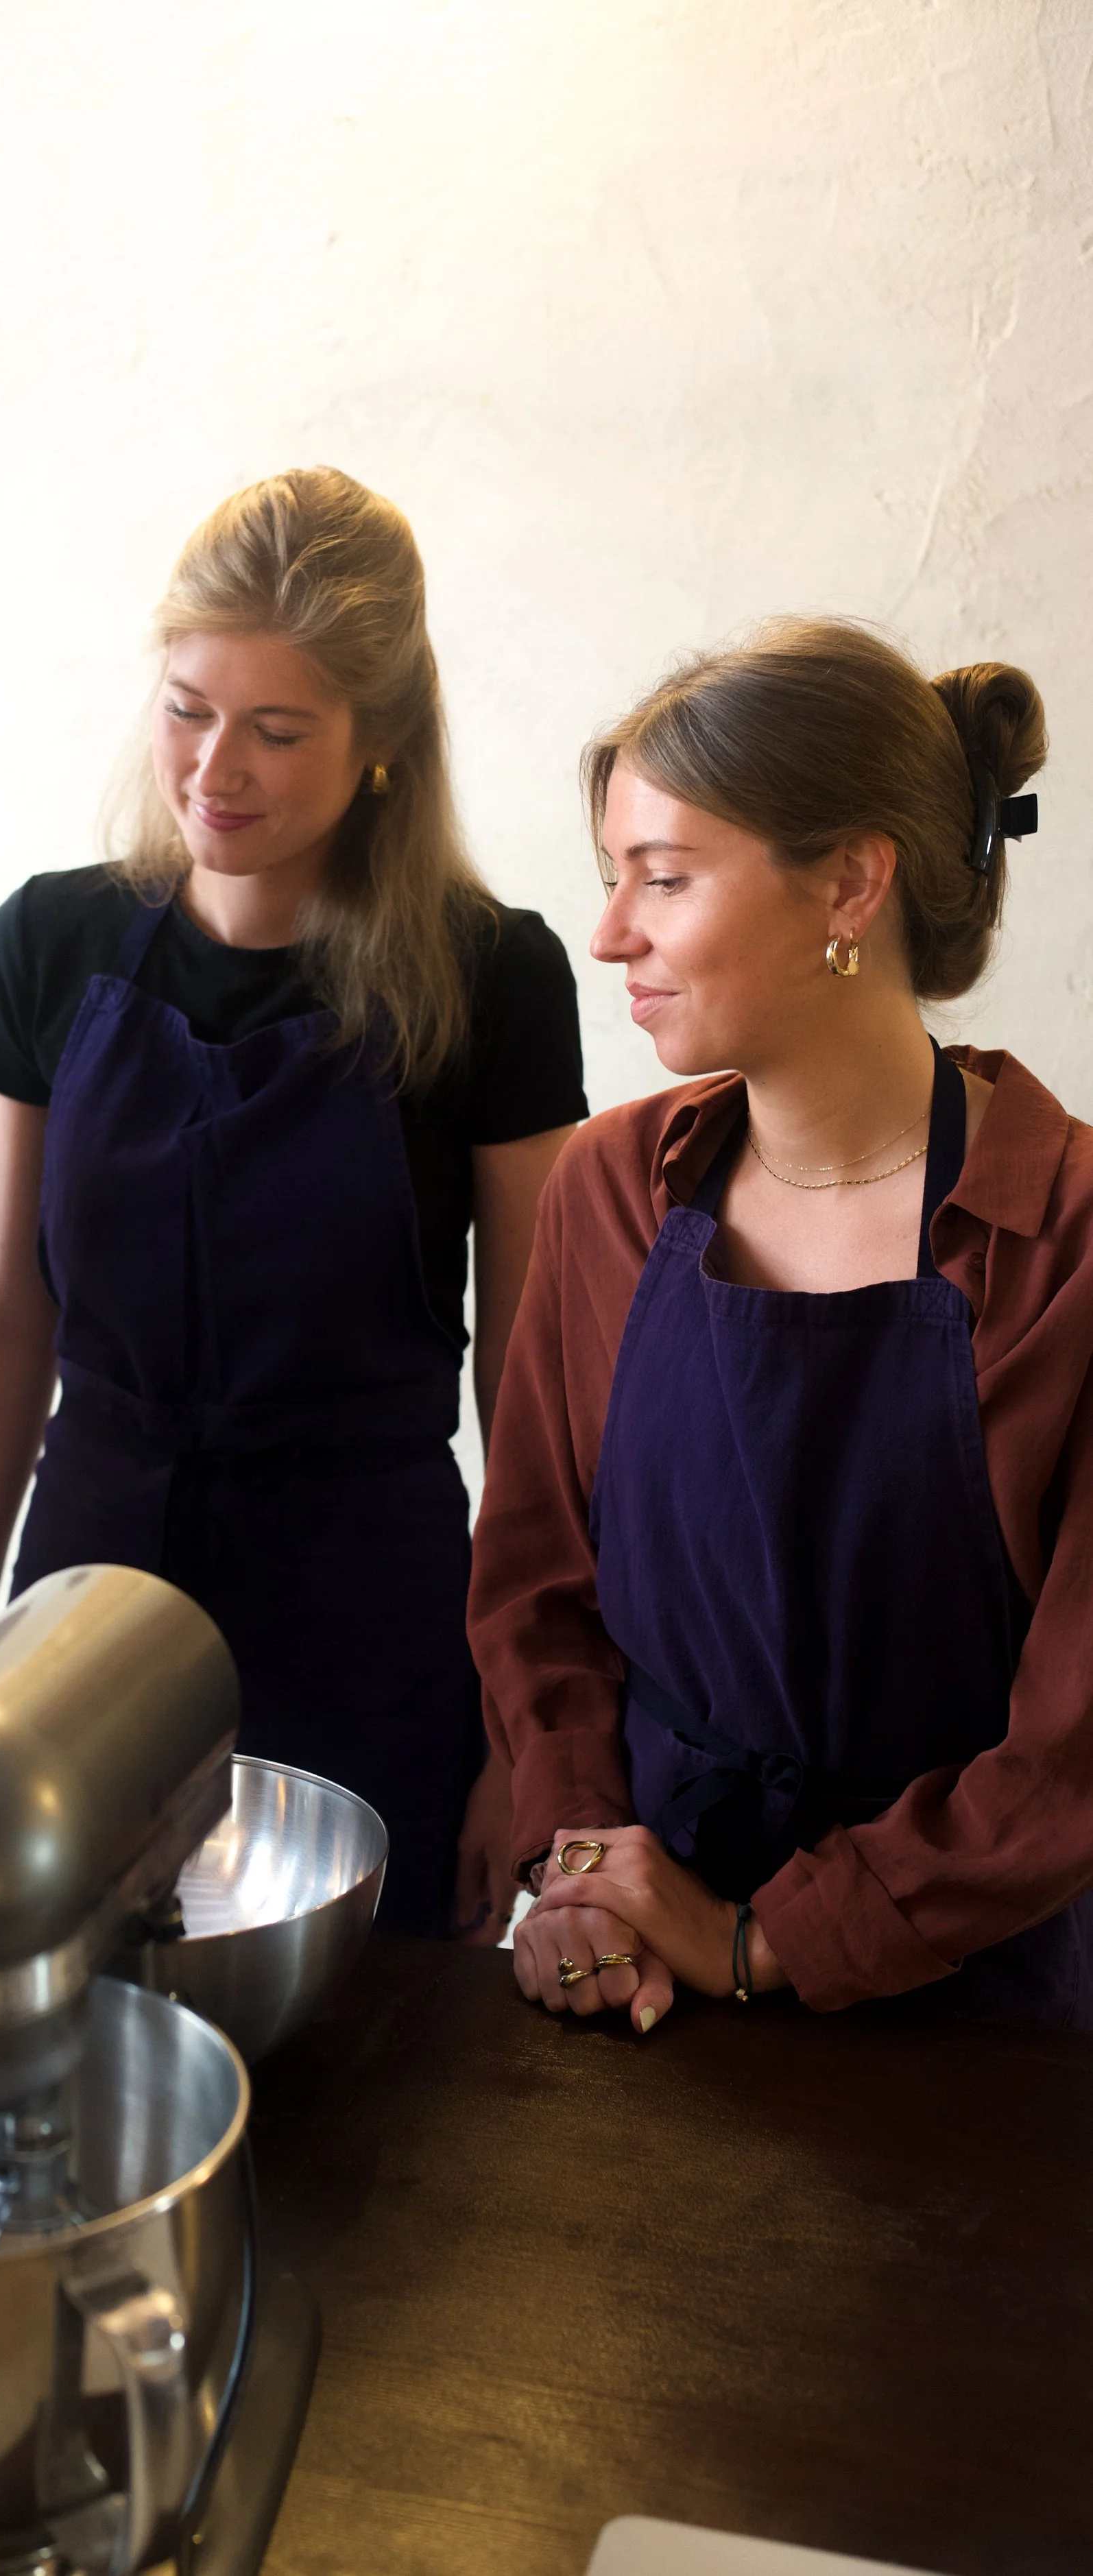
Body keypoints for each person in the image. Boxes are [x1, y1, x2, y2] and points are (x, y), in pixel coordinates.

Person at [0, 468, 585, 1933]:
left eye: (275, 729)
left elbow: (536, 1378)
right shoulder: (51, 944)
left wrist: (527, 1724)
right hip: (82, 1587)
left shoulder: (491, 975)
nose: (214, 767)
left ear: (379, 744)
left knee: (374, 2065)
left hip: (369, 1599)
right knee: (70, 2030)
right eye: (185, 708)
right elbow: (2, 1313)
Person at [469, 617, 1093, 2030]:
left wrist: (759, 1940)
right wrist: (583, 1880)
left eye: (662, 879)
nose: (606, 932)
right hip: (640, 1985)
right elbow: (533, 1588)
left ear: (848, 886)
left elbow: (1069, 1757)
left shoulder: (1064, 1246)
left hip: (973, 2020)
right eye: (609, 879)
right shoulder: (610, 1193)